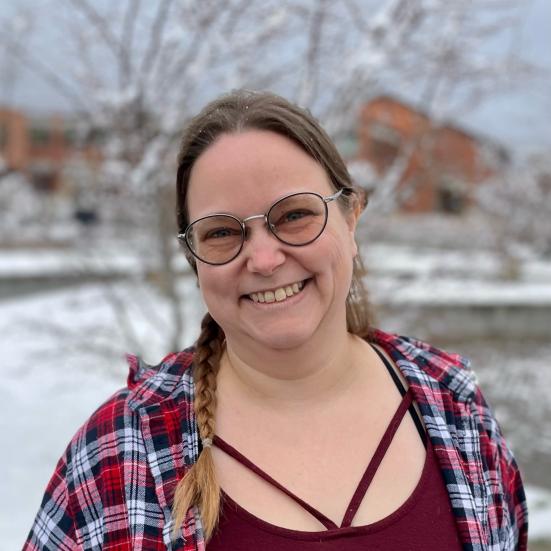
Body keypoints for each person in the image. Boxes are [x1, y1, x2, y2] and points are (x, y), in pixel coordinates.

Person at [25, 90, 528, 550]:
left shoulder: (455, 407)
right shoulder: (120, 450)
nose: (264, 260)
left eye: (294, 216)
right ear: (194, 258)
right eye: (222, 232)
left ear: (351, 218)